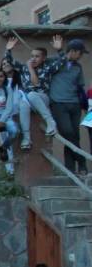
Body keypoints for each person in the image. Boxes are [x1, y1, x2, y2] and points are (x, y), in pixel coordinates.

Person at [47, 37, 87, 174]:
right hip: (58, 103)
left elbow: (81, 87)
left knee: (74, 136)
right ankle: (82, 162)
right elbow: (48, 70)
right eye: (80, 53)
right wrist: (59, 51)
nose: (81, 56)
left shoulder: (78, 67)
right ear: (73, 51)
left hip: (74, 104)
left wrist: (84, 105)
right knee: (67, 132)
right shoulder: (55, 61)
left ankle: (70, 170)